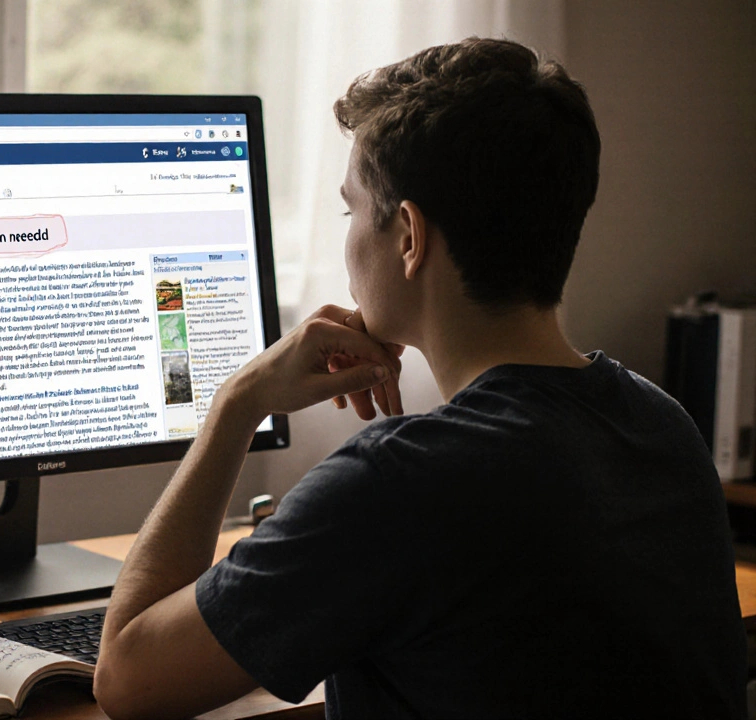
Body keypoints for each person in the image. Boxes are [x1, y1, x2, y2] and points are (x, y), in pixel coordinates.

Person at [92, 37, 746, 719]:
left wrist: (238, 400)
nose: (347, 239)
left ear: (409, 236)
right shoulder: (662, 425)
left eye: (350, 210)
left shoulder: (399, 482)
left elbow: (127, 681)